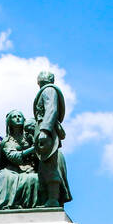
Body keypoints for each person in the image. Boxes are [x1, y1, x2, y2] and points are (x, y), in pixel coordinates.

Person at [0, 111, 39, 210]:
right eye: (14, 117)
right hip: (11, 170)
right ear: (9, 122)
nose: (17, 118)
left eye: (20, 116)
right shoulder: (7, 141)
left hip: (30, 169)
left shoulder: (29, 136)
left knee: (34, 178)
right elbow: (14, 157)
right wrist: (33, 149)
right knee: (5, 177)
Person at [32, 70, 71, 207]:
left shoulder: (48, 90)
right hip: (45, 131)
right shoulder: (47, 90)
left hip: (47, 132)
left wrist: (44, 130)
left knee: (49, 165)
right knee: (44, 166)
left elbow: (51, 109)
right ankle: (50, 198)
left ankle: (53, 199)